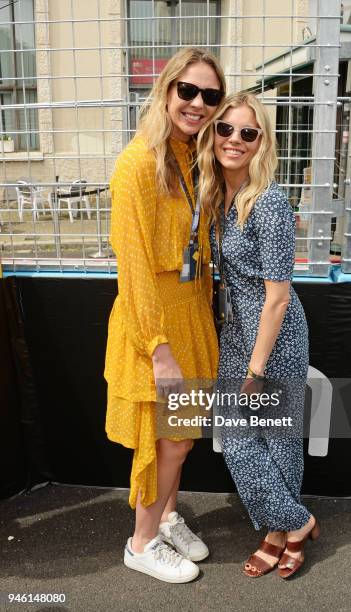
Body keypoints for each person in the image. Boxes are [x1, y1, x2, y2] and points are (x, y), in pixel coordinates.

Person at [104, 47, 225, 583]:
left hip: (190, 309)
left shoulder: (189, 156)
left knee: (183, 434)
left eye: (211, 96)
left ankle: (169, 518)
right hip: (151, 320)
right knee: (166, 440)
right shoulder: (136, 164)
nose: (198, 103)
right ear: (167, 90)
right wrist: (159, 349)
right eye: (189, 91)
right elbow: (131, 270)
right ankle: (142, 541)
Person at [198, 92, 320, 579]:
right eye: (225, 129)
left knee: (277, 439)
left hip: (276, 332)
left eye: (248, 132)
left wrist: (256, 367)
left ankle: (276, 534)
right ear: (214, 134)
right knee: (237, 434)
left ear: (261, 142)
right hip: (237, 328)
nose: (234, 140)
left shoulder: (268, 201)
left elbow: (278, 297)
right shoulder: (214, 193)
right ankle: (299, 521)